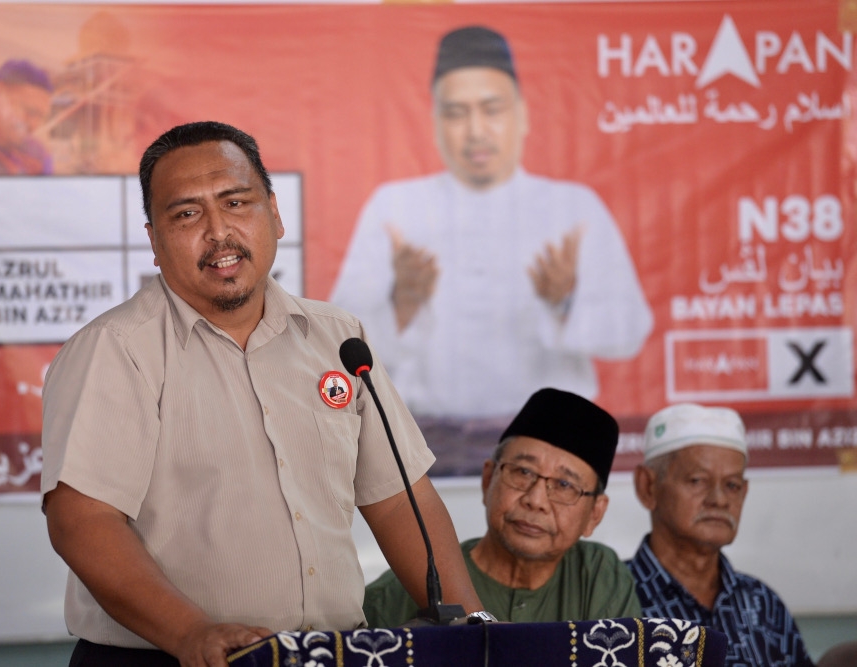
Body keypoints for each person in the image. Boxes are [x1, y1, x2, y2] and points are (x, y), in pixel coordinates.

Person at [40, 121, 484, 666]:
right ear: (154, 241)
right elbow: (82, 521)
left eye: (235, 202)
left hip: (329, 653)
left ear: (274, 214)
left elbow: (398, 502)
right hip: (170, 656)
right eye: (186, 214)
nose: (218, 231)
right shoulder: (115, 350)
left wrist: (476, 630)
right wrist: (189, 633)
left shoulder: (338, 338)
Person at [331, 25, 653, 420]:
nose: (476, 131)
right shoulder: (394, 207)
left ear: (522, 115)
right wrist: (402, 304)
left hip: (549, 434)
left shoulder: (574, 208)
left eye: (492, 110)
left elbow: (629, 332)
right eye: (456, 114)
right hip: (428, 442)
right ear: (435, 123)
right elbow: (340, 341)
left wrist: (566, 303)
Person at [363, 387, 642, 627]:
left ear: (595, 513)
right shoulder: (397, 591)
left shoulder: (597, 575)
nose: (536, 500)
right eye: (523, 472)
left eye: (564, 485)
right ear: (488, 479)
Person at [627, 403, 815, 667]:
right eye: (697, 481)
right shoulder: (614, 598)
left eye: (732, 485)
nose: (719, 500)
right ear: (648, 486)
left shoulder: (763, 605)